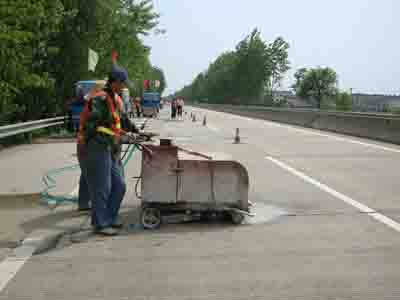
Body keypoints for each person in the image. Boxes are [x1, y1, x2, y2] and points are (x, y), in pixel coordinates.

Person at [77, 66, 139, 236]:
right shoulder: (100, 99)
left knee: (119, 185)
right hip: (96, 147)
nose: (124, 87)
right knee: (102, 188)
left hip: (110, 147)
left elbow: (121, 121)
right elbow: (91, 125)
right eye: (122, 83)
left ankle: (110, 217)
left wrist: (137, 133)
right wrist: (87, 144)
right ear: (115, 82)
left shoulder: (114, 99)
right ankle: (101, 223)